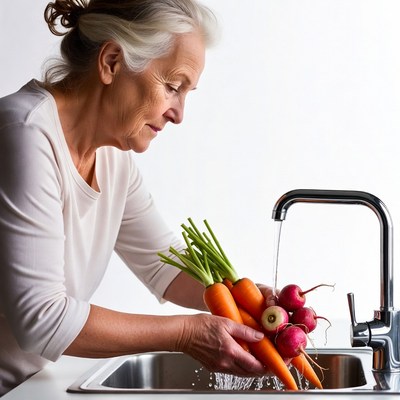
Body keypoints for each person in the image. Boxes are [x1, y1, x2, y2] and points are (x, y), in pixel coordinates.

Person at [0, 0, 272, 395]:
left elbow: (165, 266)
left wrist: (249, 302)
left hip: (27, 386)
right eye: (173, 87)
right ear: (111, 62)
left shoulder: (112, 157)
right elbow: (44, 318)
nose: (179, 114)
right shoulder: (24, 134)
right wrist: (183, 335)